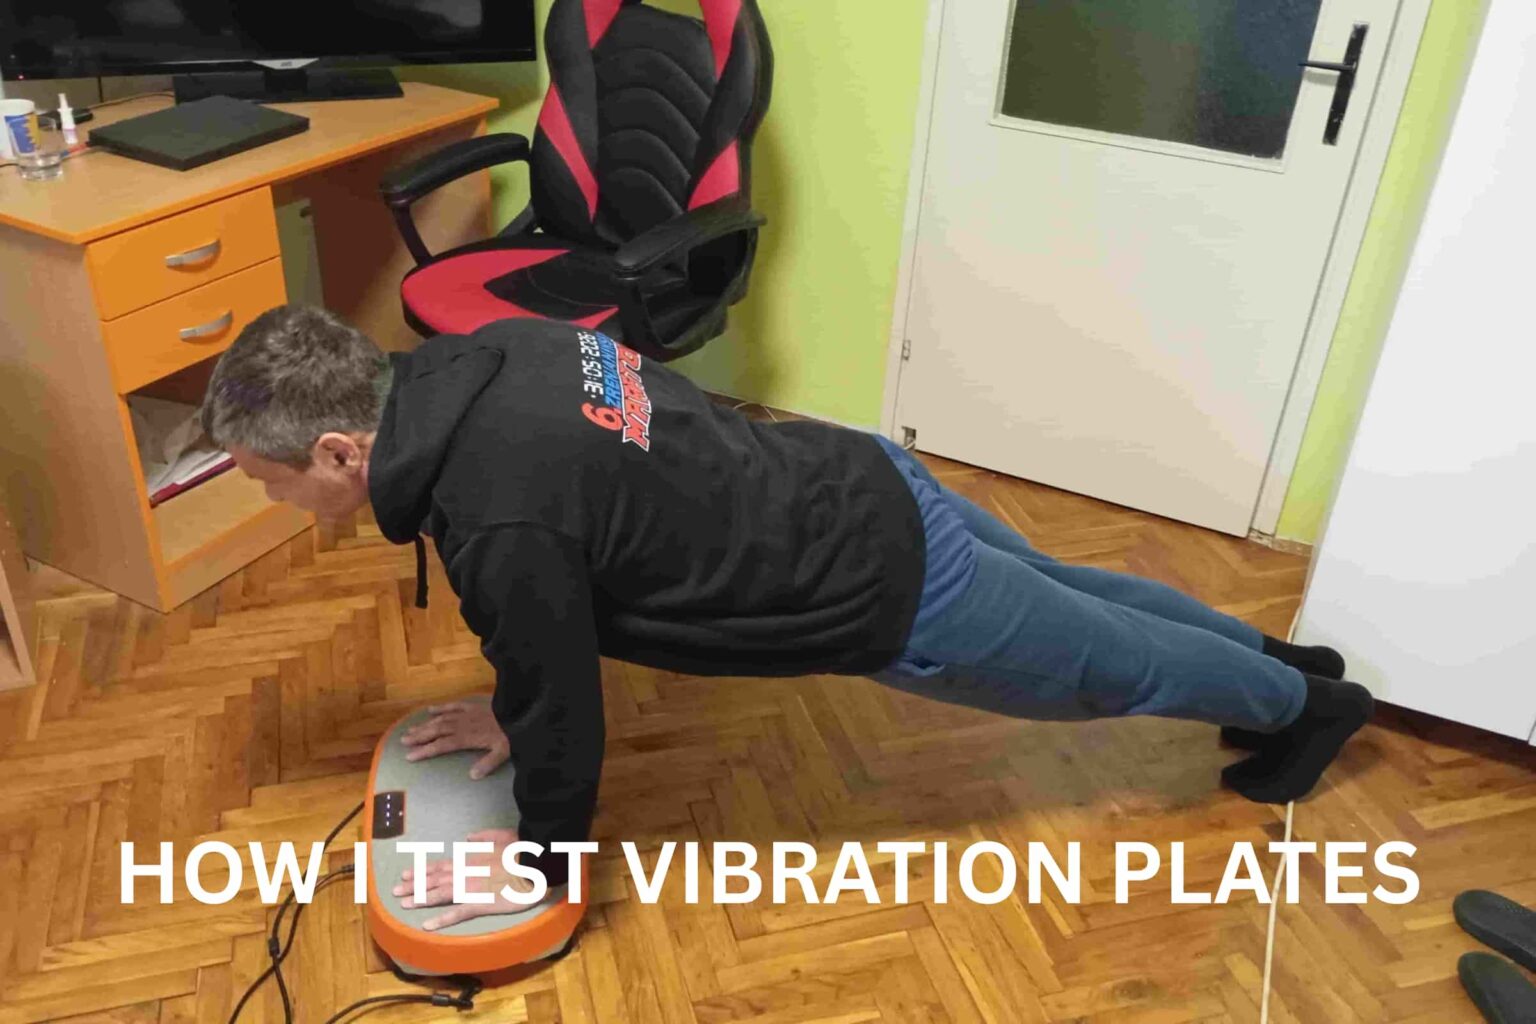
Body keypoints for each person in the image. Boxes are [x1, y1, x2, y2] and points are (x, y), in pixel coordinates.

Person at [200, 305, 1374, 928]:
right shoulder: (495, 350)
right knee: (1085, 593)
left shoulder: (498, 515)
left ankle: (1308, 707)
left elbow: (564, 698)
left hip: (885, 581)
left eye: (266, 480)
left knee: (1110, 667)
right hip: (852, 472)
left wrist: (545, 860)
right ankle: (1286, 658)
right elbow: (585, 555)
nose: (270, 502)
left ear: (339, 450)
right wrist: (517, 709)